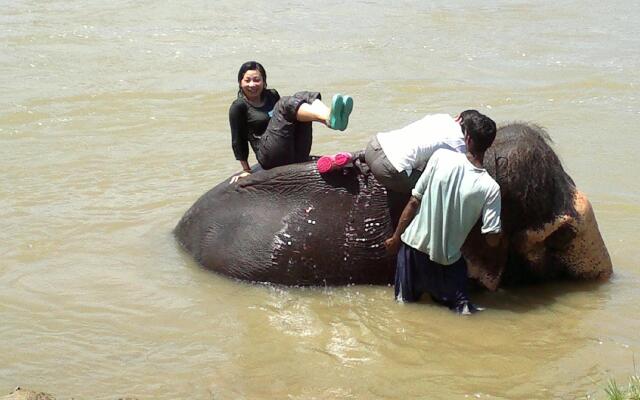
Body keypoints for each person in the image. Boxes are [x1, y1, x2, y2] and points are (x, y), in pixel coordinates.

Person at [383, 110, 501, 315]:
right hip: (446, 260)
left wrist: (395, 239)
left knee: (403, 308)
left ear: (467, 138)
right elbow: (491, 239)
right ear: (489, 145)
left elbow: (413, 202)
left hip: (412, 251)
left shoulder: (440, 157)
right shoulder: (490, 188)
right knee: (464, 312)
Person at [228, 61, 353, 183]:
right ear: (240, 82)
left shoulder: (271, 95)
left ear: (264, 81)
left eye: (256, 80)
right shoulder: (239, 106)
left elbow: (288, 117)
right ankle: (328, 119)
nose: (252, 84)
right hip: (268, 155)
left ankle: (331, 117)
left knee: (302, 96)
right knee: (284, 104)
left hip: (291, 150)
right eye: (247, 80)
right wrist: (246, 169)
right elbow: (238, 140)